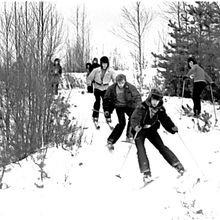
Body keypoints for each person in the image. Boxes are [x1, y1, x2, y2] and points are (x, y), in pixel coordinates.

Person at [130, 88, 185, 183]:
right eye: (154, 100)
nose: (155, 102)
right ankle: (146, 173)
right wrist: (136, 126)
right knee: (141, 149)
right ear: (150, 98)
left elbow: (165, 119)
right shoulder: (142, 107)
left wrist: (171, 127)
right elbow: (134, 118)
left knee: (161, 147)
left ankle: (177, 165)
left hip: (151, 130)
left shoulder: (160, 109)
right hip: (140, 131)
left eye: (157, 100)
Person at [103, 74, 142, 150]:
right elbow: (106, 99)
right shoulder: (112, 88)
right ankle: (111, 140)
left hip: (128, 105)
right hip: (118, 106)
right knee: (122, 123)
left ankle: (130, 135)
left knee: (133, 118)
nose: (121, 84)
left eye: (123, 82)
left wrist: (139, 108)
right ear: (116, 82)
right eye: (119, 82)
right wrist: (107, 110)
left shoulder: (130, 87)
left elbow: (137, 97)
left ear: (125, 81)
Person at [86, 56, 116, 123]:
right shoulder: (96, 70)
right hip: (97, 87)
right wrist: (89, 85)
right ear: (101, 63)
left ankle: (108, 116)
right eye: (103, 63)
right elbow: (89, 78)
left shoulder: (111, 71)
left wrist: (116, 85)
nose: (104, 65)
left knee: (106, 103)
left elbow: (115, 79)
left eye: (106, 64)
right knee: (97, 102)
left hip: (106, 88)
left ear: (107, 64)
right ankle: (95, 116)